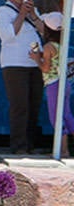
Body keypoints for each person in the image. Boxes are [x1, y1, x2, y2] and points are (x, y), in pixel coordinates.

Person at [0, 0, 46, 154]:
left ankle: (30, 143)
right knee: (20, 105)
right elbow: (9, 36)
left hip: (35, 63)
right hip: (15, 64)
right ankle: (18, 145)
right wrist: (22, 14)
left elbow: (44, 31)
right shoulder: (3, 11)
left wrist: (32, 15)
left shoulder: (32, 10)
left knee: (34, 104)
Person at [41, 25, 74, 159]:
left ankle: (63, 150)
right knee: (67, 115)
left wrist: (36, 58)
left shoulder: (48, 47)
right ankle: (64, 150)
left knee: (56, 117)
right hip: (64, 83)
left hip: (53, 84)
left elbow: (45, 68)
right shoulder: (62, 45)